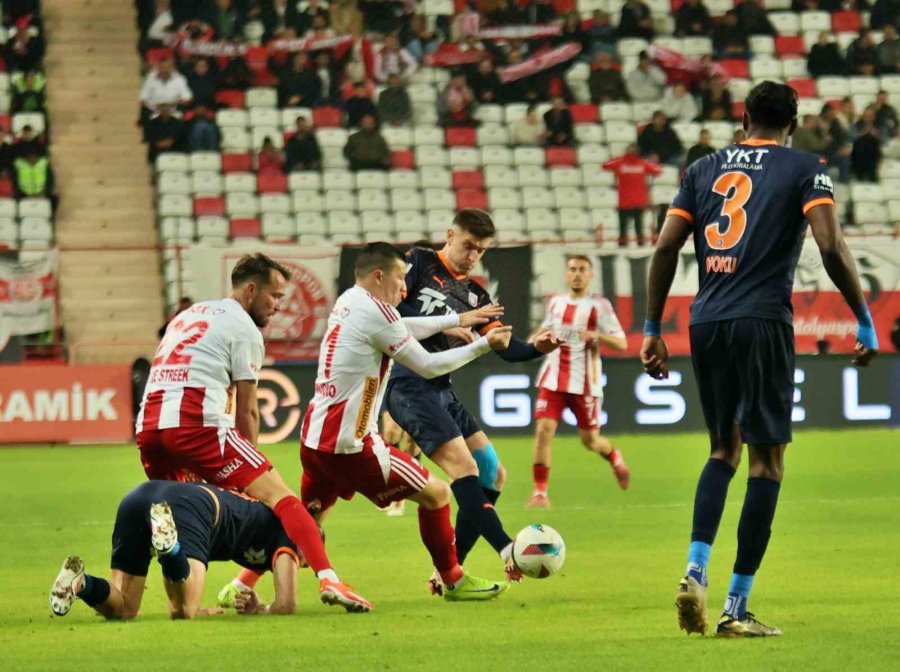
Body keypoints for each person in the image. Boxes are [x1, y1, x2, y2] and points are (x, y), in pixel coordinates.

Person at [641, 81, 879, 638]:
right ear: (793, 121)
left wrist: (652, 327)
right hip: (762, 319)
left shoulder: (702, 169)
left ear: (743, 117)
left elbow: (664, 248)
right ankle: (735, 608)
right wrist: (863, 317)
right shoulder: (805, 167)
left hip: (706, 320)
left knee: (722, 448)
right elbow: (829, 245)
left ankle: (694, 571)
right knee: (766, 462)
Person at [221, 242, 513, 601]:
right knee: (437, 495)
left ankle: (241, 584)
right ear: (379, 276)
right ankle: (452, 578)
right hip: (352, 445)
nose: (405, 289)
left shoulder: (350, 300)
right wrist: (484, 346)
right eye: (400, 279)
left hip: (315, 439)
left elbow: (400, 325)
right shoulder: (378, 313)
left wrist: (455, 320)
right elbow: (428, 364)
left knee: (308, 520)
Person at [135, 253, 372, 613]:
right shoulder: (243, 328)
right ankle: (328, 577)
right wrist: (249, 473)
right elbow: (247, 409)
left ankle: (183, 607)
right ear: (250, 290)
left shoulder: (188, 315)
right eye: (274, 297)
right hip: (197, 425)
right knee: (283, 499)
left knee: (179, 520)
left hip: (150, 428)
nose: (278, 307)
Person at [384, 210, 560, 591]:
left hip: (441, 389)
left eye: (480, 250)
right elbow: (390, 317)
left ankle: (449, 572)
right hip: (409, 383)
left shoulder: (476, 294)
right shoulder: (418, 262)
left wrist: (534, 348)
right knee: (464, 468)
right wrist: (455, 322)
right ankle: (506, 550)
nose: (472, 255)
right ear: (450, 235)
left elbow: (503, 346)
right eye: (468, 246)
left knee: (491, 471)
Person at [49, 481, 302, 620]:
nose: (303, 565)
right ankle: (170, 549)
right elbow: (287, 605)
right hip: (194, 506)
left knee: (125, 607)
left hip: (139, 496)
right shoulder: (291, 532)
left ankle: (80, 583)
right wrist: (261, 609)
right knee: (183, 611)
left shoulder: (263, 522)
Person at [527, 255, 630, 509]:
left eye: (582, 269)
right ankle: (540, 492)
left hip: (585, 383)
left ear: (590, 275)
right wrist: (527, 344)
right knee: (543, 431)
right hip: (552, 379)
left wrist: (596, 335)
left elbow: (622, 343)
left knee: (590, 440)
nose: (577, 274)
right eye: (572, 269)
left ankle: (615, 457)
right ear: (565, 274)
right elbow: (544, 329)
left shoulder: (600, 306)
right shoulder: (556, 303)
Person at [603, 144, 662, 246]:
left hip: (624, 201)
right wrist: (653, 161)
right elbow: (657, 170)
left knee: (623, 227)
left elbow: (605, 165)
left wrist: (616, 158)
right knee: (639, 226)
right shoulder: (643, 163)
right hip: (638, 201)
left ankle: (622, 246)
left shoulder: (620, 162)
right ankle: (641, 245)